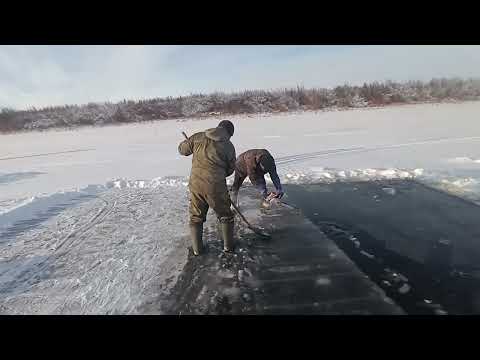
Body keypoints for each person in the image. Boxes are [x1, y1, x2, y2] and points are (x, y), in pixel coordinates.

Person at [178, 120, 236, 255]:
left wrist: (188, 143)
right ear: (229, 133)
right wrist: (220, 172)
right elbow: (230, 169)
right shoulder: (228, 145)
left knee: (196, 216)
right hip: (216, 185)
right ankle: (228, 247)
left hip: (196, 184)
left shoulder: (198, 137)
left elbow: (182, 150)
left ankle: (197, 250)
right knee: (225, 215)